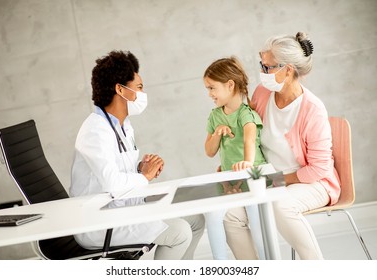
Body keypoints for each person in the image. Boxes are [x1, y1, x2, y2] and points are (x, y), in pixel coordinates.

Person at [69, 50, 205, 260]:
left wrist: (140, 169)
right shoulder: (95, 130)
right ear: (120, 90)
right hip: (99, 222)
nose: (142, 94)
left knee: (196, 220)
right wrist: (144, 177)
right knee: (179, 232)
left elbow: (117, 171)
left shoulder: (122, 125)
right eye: (139, 88)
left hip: (124, 209)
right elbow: (112, 183)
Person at [224, 32, 341, 259]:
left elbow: (319, 169)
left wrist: (275, 181)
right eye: (262, 65)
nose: (262, 73)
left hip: (313, 182)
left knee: (280, 205)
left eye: (268, 68)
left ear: (288, 70)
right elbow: (249, 135)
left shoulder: (313, 109)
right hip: (268, 180)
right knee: (230, 214)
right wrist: (232, 161)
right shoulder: (262, 93)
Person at [203, 57, 266, 260]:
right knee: (212, 214)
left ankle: (268, 263)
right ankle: (220, 265)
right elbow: (209, 151)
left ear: (230, 85)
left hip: (255, 173)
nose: (210, 94)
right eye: (208, 89)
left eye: (212, 88)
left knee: (257, 220)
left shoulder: (246, 114)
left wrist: (247, 163)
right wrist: (217, 134)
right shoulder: (215, 116)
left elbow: (249, 141)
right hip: (231, 178)